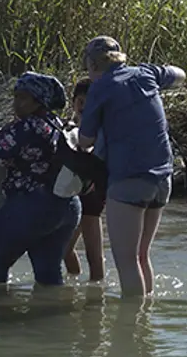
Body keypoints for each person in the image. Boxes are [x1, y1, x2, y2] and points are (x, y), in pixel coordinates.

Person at [77, 36, 186, 297]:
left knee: (126, 262)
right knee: (141, 255)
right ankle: (144, 324)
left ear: (91, 65)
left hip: (128, 180)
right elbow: (180, 75)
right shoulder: (146, 73)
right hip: (162, 179)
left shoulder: (100, 88)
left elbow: (84, 140)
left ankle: (130, 332)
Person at [0, 72, 82, 287]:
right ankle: (54, 317)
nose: (16, 103)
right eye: (16, 96)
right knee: (49, 274)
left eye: (23, 98)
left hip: (29, 206)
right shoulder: (62, 127)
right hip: (67, 206)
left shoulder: (22, 129)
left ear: (39, 101)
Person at [63, 78, 107, 281]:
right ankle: (73, 284)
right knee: (64, 249)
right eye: (80, 101)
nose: (84, 106)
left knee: (94, 256)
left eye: (89, 102)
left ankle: (97, 298)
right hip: (73, 196)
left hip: (93, 197)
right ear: (73, 103)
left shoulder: (103, 131)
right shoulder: (67, 129)